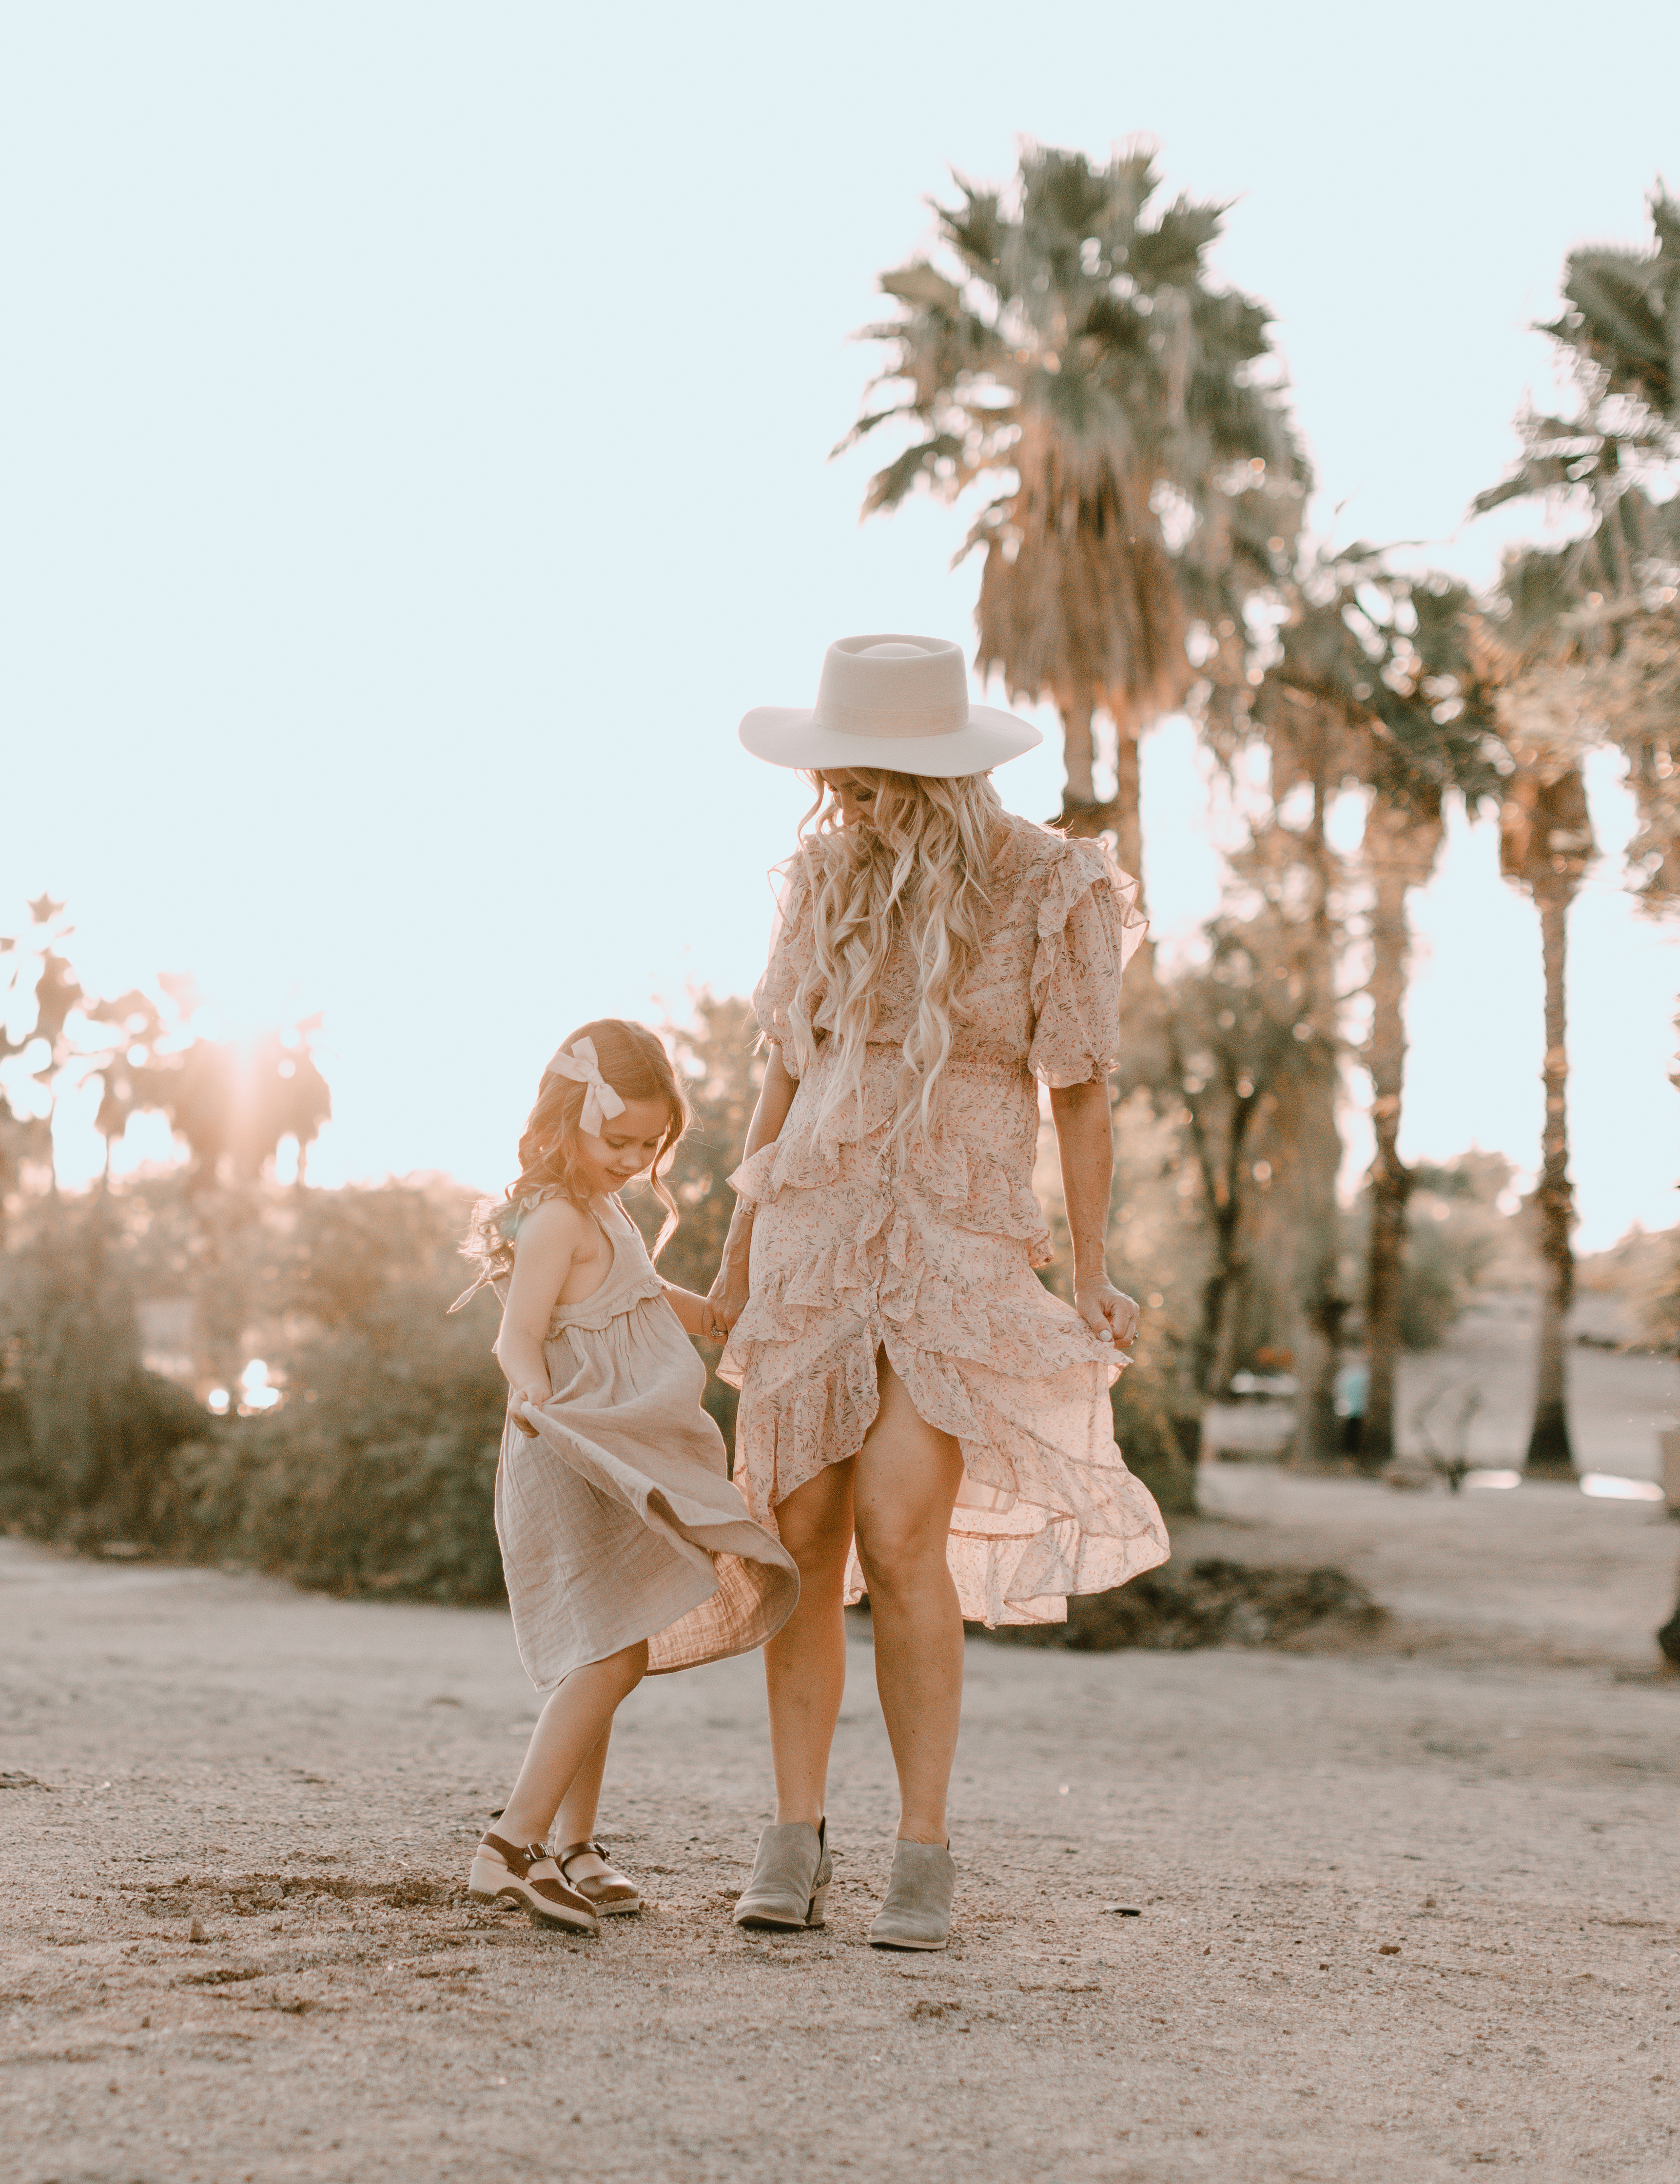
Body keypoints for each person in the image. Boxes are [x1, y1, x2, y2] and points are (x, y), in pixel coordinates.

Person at [709, 635, 1170, 1950]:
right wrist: (739, 1265)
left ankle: (924, 1845)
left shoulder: (1055, 886)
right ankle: (791, 1835)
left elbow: (1081, 1086)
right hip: (818, 1229)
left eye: (858, 784)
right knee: (799, 1539)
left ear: (928, 774)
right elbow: (781, 1073)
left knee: (904, 1531)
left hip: (957, 1237)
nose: (835, 805)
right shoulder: (825, 874)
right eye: (832, 784)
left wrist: (1088, 1271)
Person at [455, 1019, 801, 1933]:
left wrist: (720, 1314)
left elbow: (639, 1302)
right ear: (569, 1120)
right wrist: (535, 1398)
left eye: (651, 1146)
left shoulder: (605, 1211)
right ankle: (510, 1848)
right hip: (574, 1446)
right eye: (619, 1141)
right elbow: (516, 1337)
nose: (635, 1158)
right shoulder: (559, 1218)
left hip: (619, 1451)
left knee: (612, 1640)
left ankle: (576, 1845)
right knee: (610, 1649)